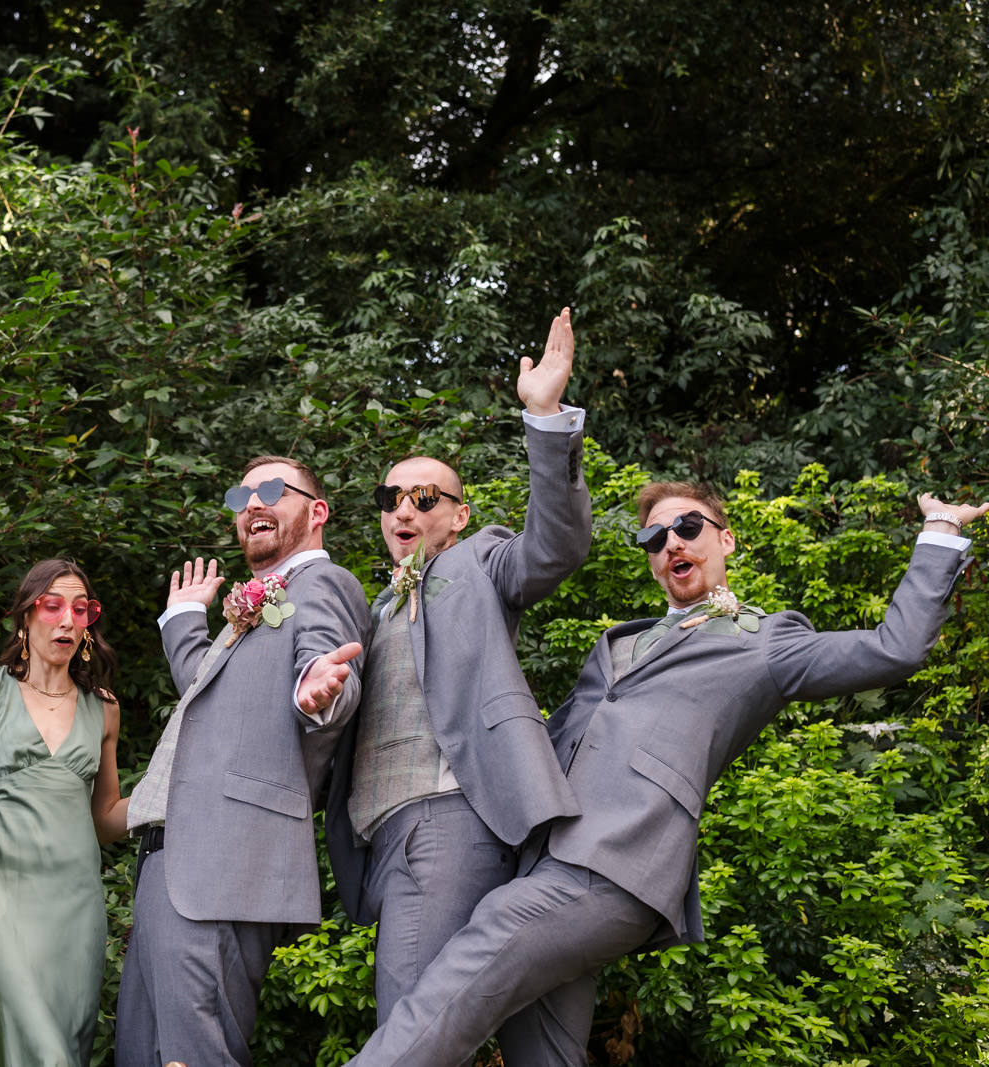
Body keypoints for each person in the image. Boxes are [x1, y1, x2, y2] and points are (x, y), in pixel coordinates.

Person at [346, 484, 983, 1066]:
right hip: (543, 858)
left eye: (687, 526)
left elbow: (894, 648)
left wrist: (940, 536)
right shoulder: (616, 644)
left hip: (617, 862)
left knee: (463, 976)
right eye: (655, 537)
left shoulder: (767, 643)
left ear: (725, 538)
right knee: (544, 1052)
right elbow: (547, 742)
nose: (671, 542)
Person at [324, 308, 589, 1040]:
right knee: (449, 1030)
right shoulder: (369, 606)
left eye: (424, 497)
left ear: (460, 515)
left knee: (408, 1028)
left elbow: (555, 547)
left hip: (448, 817)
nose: (403, 508)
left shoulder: (479, 562)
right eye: (390, 497)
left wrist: (545, 416)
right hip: (381, 841)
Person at [117, 455, 372, 1067]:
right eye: (242, 494)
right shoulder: (255, 603)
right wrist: (183, 621)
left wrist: (317, 688)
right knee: (142, 1053)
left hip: (226, 863)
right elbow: (210, 691)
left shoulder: (322, 582)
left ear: (317, 511)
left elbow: (328, 662)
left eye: (271, 490)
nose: (252, 502)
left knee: (192, 1057)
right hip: (171, 861)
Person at [0, 559, 129, 1066]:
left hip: (76, 907)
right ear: (24, 617)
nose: (67, 619)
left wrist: (174, 793)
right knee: (36, 1047)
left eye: (81, 609)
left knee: (65, 1042)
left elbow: (104, 819)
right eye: (53, 605)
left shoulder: (103, 706)